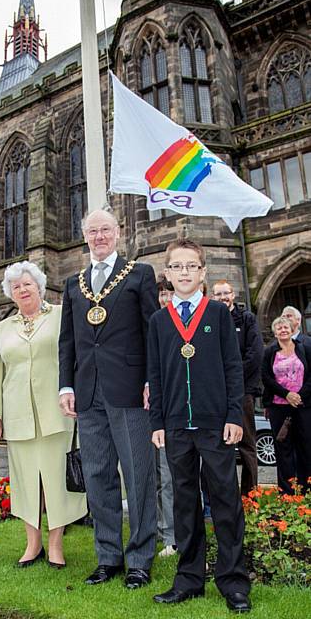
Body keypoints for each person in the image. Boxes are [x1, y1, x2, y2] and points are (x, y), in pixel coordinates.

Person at [148, 238, 251, 613]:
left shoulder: (219, 315)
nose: (185, 272)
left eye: (192, 266)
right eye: (177, 266)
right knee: (184, 503)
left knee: (225, 500)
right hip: (175, 425)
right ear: (168, 273)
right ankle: (189, 580)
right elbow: (155, 375)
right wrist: (156, 421)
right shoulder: (159, 321)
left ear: (203, 272)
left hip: (214, 425)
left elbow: (233, 367)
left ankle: (233, 582)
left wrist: (233, 417)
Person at [59, 208, 158, 589]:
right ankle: (108, 558)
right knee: (99, 477)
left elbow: (153, 331)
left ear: (118, 233)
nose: (99, 236)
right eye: (92, 231)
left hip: (131, 389)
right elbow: (67, 340)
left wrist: (153, 380)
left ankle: (140, 560)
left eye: (105, 230)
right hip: (88, 393)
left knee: (138, 475)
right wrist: (66, 386)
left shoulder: (139, 274)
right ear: (85, 236)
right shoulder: (73, 283)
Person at [0, 261, 87, 568]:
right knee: (25, 483)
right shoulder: (3, 328)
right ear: (10, 294)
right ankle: (33, 545)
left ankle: (55, 545)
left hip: (57, 413)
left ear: (40, 286)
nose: (22, 290)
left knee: (57, 482)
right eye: (16, 287)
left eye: (27, 284)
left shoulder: (60, 315)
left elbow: (77, 357)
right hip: (18, 416)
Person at [212, 279, 263, 495]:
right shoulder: (210, 320)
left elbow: (255, 354)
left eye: (226, 293)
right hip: (216, 393)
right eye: (218, 294)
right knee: (220, 448)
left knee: (247, 445)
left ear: (233, 295)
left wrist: (231, 378)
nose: (223, 297)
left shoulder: (247, 319)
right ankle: (226, 496)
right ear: (213, 297)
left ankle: (249, 496)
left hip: (242, 392)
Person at [261, 316, 311, 494]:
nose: (283, 330)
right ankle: (287, 491)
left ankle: (306, 488)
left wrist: (299, 396)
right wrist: (287, 394)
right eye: (279, 328)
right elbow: (266, 377)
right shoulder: (269, 352)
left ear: (292, 330)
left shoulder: (304, 349)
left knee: (305, 446)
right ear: (275, 332)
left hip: (302, 406)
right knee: (283, 448)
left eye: (286, 327)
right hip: (278, 407)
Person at [155, 274, 176, 558]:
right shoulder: (153, 323)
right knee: (156, 478)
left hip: (175, 411)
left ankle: (173, 535)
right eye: (161, 293)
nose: (165, 298)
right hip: (149, 410)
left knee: (171, 477)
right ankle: (163, 532)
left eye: (168, 293)